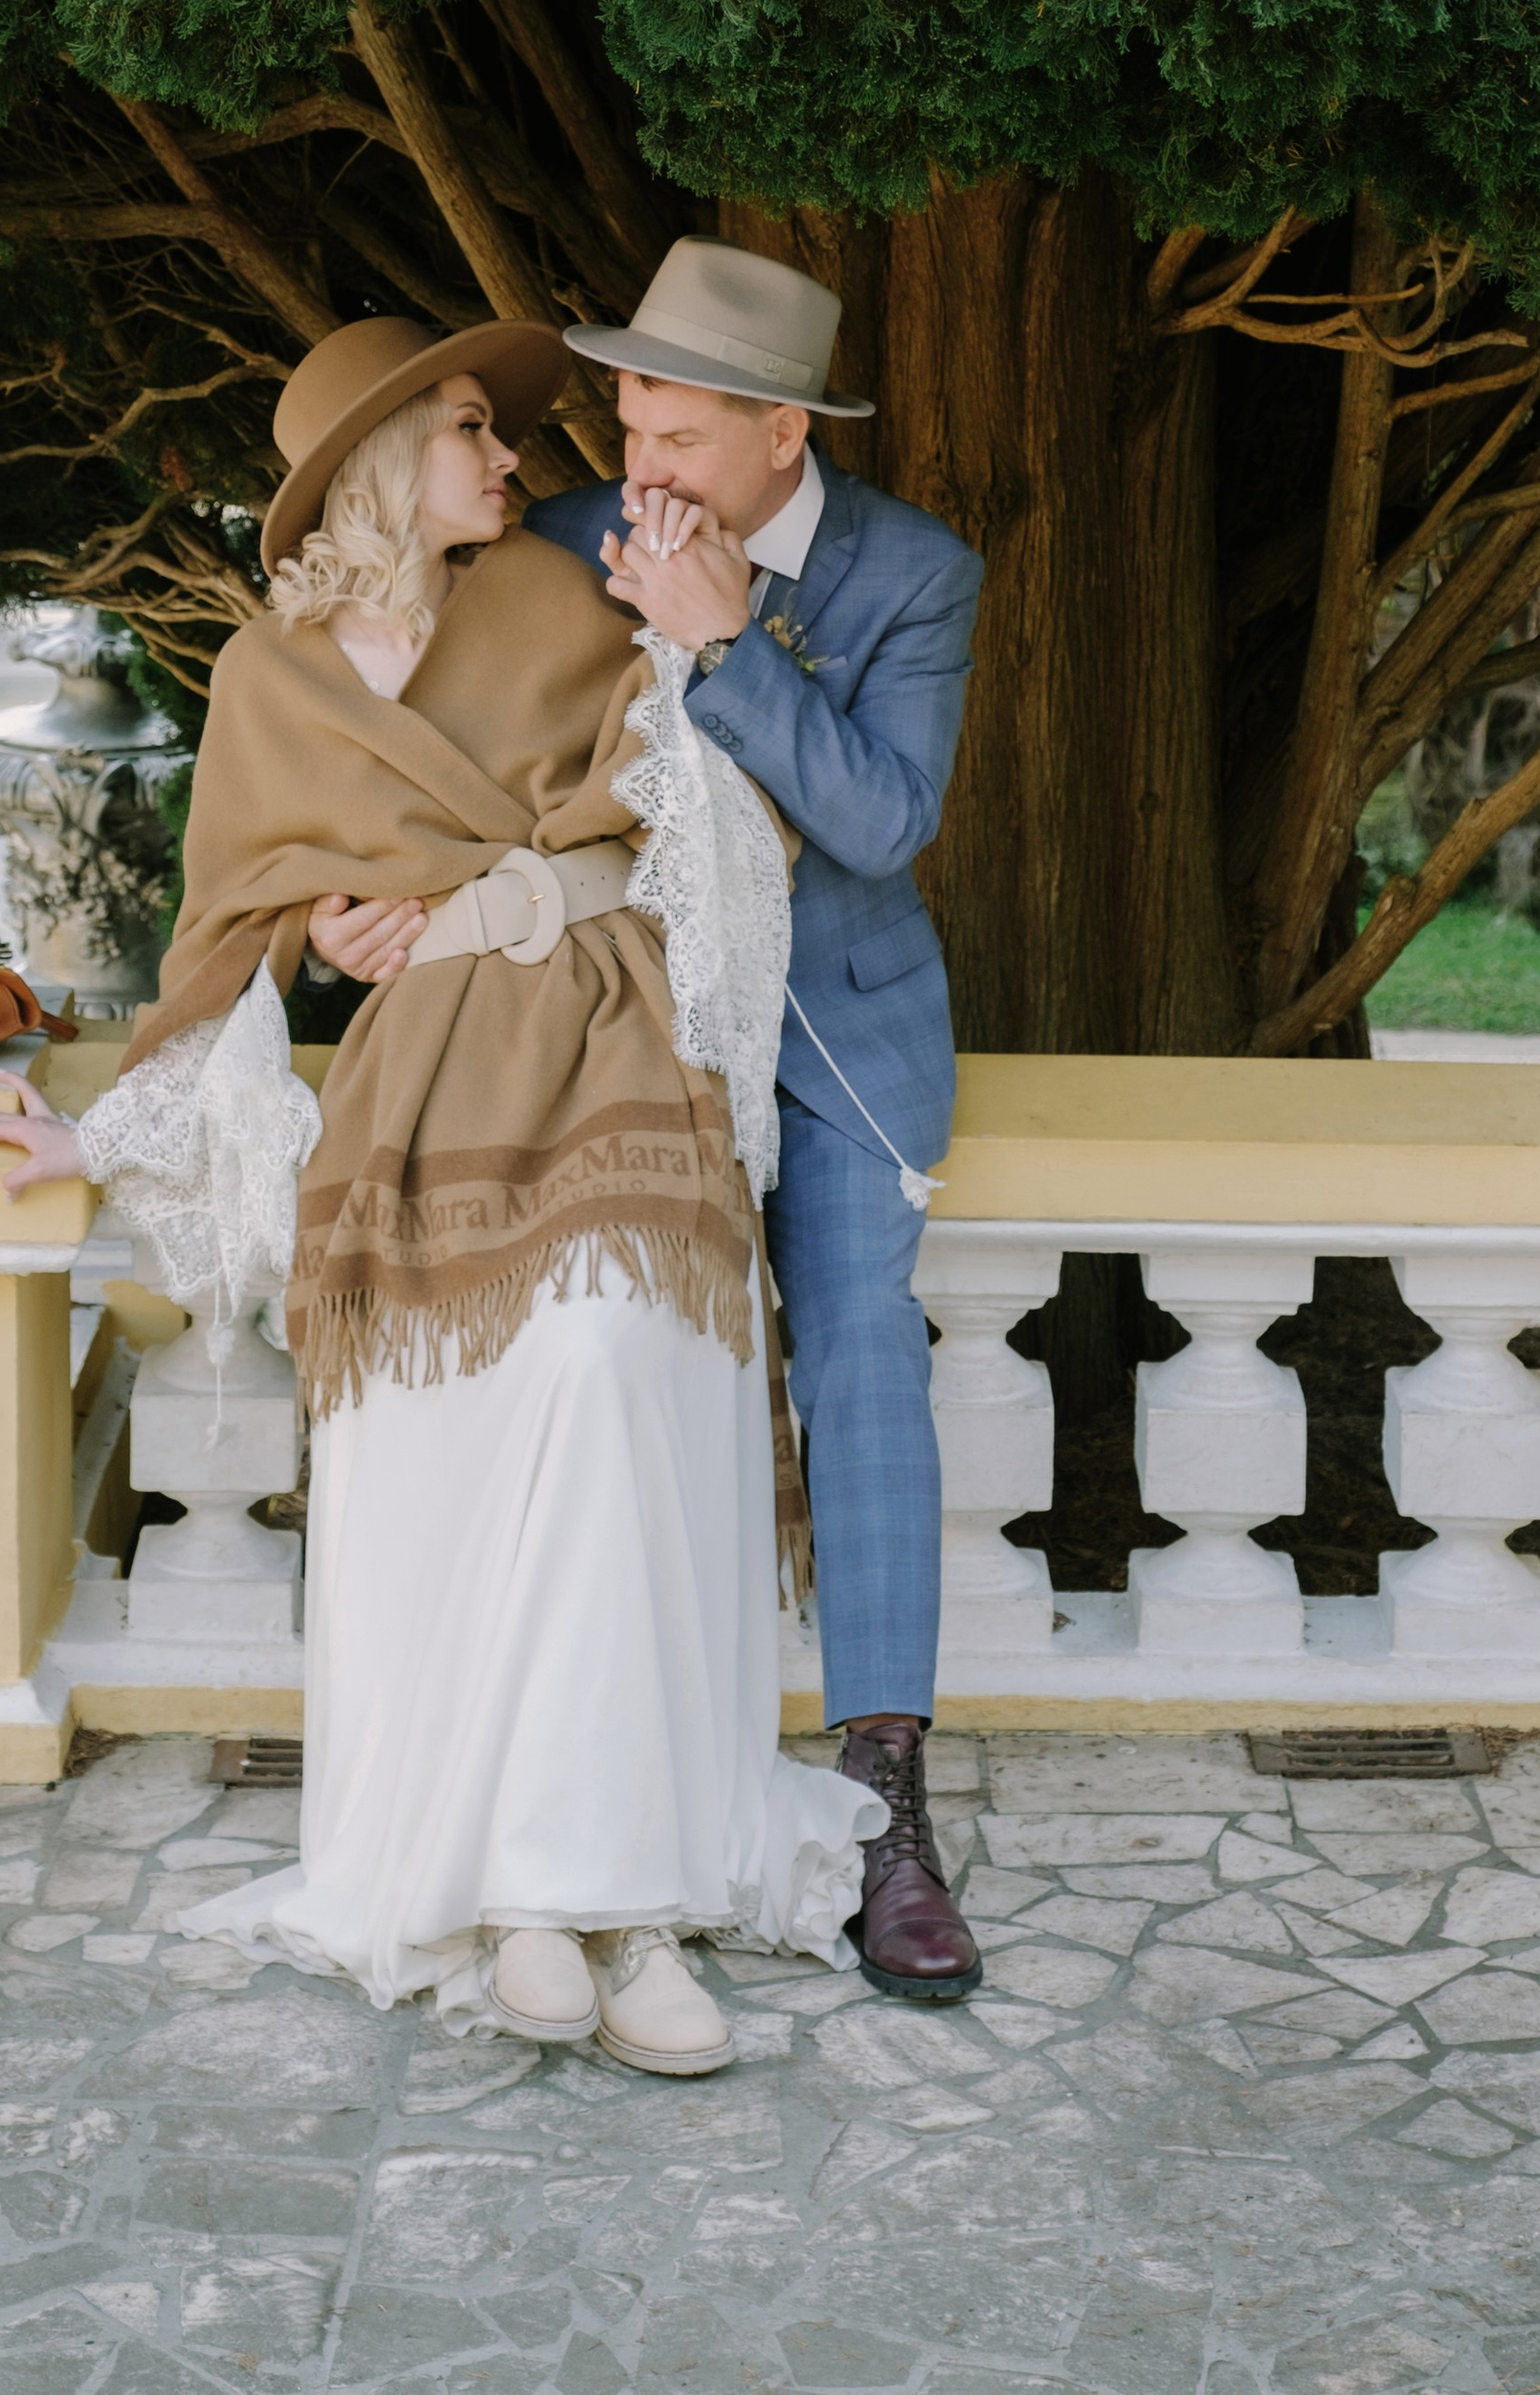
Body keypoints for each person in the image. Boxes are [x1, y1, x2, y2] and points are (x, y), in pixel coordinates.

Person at [0, 315, 879, 2073]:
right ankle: (526, 1897)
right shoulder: (267, 682)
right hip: (423, 1091)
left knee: (609, 1366)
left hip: (611, 1036)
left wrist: (689, 666)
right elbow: (224, 941)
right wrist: (114, 1125)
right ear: (377, 461)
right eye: (469, 428)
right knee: (449, 1437)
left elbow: (724, 819)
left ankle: (626, 1900)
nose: (511, 456)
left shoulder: (568, 594)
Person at [518, 238, 988, 2001]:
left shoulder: (914, 574)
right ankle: (612, 1785)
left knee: (863, 1343)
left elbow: (884, 820)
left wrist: (726, 642)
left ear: (786, 435)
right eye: (633, 425)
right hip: (627, 1033)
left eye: (682, 437)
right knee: (618, 1354)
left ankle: (888, 1815)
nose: (641, 469)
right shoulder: (565, 544)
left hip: (843, 1033)